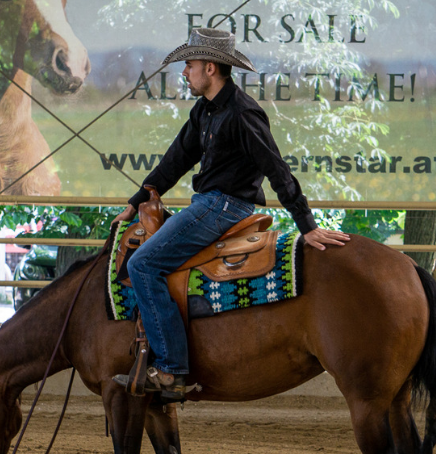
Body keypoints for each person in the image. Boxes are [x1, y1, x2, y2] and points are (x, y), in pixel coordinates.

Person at [113, 28, 350, 399]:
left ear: (210, 68)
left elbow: (277, 169)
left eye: (189, 65)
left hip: (223, 207)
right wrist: (136, 199)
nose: (185, 72)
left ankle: (171, 370)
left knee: (142, 265)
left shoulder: (242, 113)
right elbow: (175, 160)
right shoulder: (204, 110)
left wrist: (307, 226)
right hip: (208, 204)